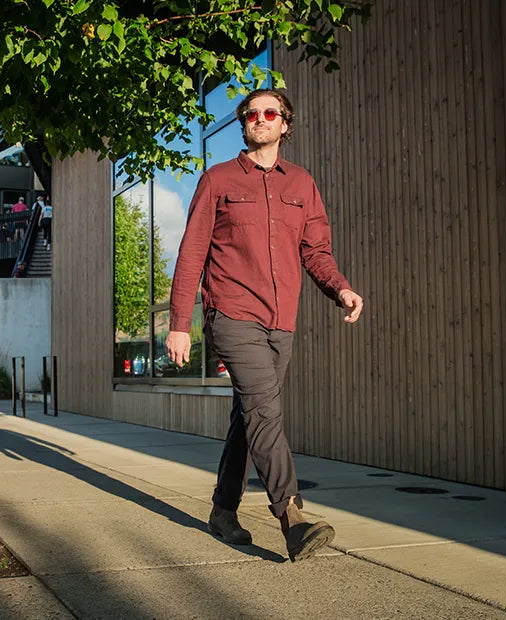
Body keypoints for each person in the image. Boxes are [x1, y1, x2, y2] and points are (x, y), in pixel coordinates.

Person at [165, 89, 363, 562]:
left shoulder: (302, 184)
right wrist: (179, 323)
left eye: (269, 113)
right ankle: (292, 517)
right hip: (232, 315)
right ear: (245, 125)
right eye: (251, 114)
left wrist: (340, 288)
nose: (260, 119)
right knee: (266, 415)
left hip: (282, 322)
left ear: (285, 125)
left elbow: (315, 252)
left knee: (250, 415)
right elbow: (192, 252)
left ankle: (222, 511)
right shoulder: (218, 180)